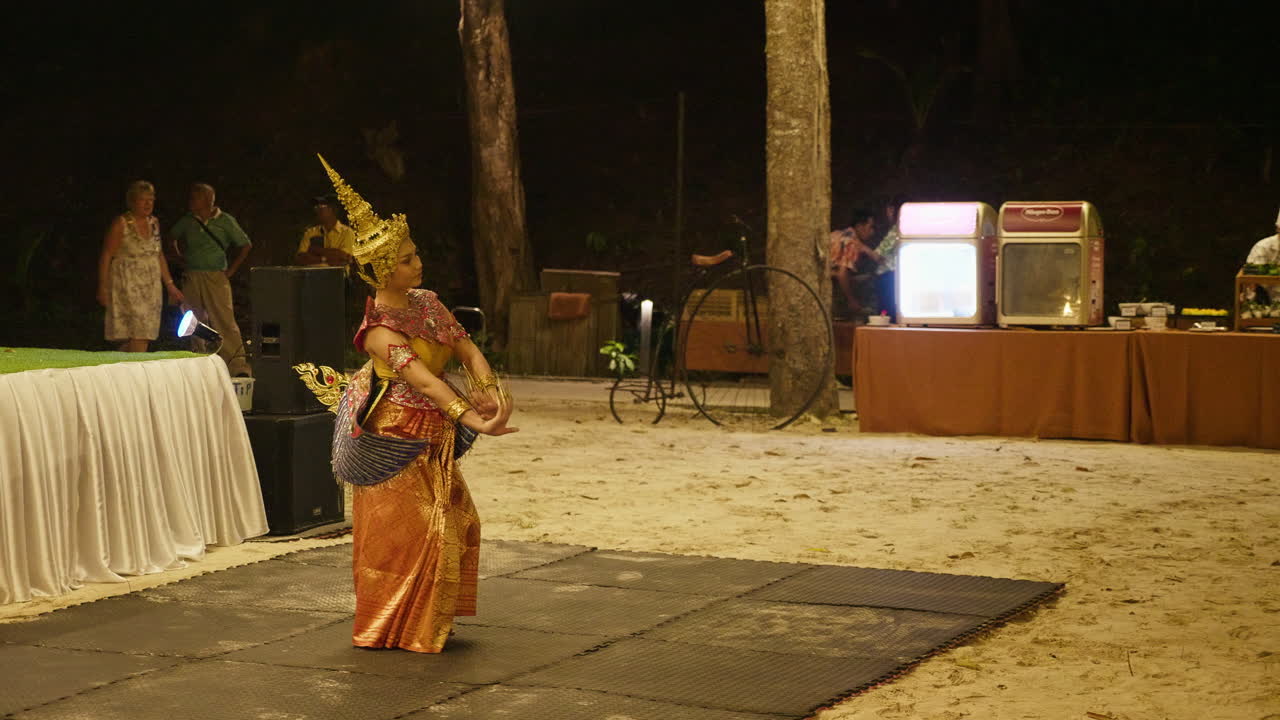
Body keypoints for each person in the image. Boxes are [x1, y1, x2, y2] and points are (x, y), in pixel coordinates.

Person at [316, 155, 517, 653]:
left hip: (434, 434)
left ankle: (426, 619)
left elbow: (465, 347)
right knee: (411, 535)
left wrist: (490, 389)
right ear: (383, 268)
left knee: (457, 521)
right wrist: (474, 418)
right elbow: (425, 382)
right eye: (407, 259)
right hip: (394, 437)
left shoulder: (426, 302)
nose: (417, 262)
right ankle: (392, 626)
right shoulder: (379, 332)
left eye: (415, 254)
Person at [169, 183, 253, 376]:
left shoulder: (224, 220)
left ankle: (236, 365)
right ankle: (200, 361)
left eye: (194, 197)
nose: (190, 201)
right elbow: (171, 237)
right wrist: (180, 257)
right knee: (193, 319)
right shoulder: (188, 220)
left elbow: (245, 245)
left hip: (216, 275)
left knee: (224, 318)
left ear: (207, 200)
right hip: (192, 275)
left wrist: (231, 270)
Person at [96, 181, 184, 352]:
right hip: (128, 285)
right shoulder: (121, 223)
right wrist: (103, 286)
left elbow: (158, 254)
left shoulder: (154, 223)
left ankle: (125, 369)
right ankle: (133, 371)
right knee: (138, 332)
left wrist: (170, 285)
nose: (148, 204)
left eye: (151, 200)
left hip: (151, 287)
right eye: (143, 200)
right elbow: (107, 255)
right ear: (133, 202)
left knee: (144, 334)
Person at [830, 209, 877, 316]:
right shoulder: (852, 243)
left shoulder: (836, 234)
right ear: (860, 226)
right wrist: (851, 300)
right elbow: (842, 274)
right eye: (871, 227)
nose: (873, 232)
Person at [295, 193, 356, 267]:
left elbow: (344, 258)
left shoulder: (347, 232)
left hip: (338, 277)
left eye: (320, 206)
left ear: (332, 209)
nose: (316, 210)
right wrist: (324, 258)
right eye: (316, 207)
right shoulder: (310, 232)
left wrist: (315, 250)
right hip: (313, 277)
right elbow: (300, 258)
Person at [870, 195, 907, 319]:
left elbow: (878, 256)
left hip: (888, 278)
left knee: (886, 314)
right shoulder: (908, 229)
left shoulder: (895, 230)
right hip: (900, 277)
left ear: (892, 210)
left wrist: (862, 248)